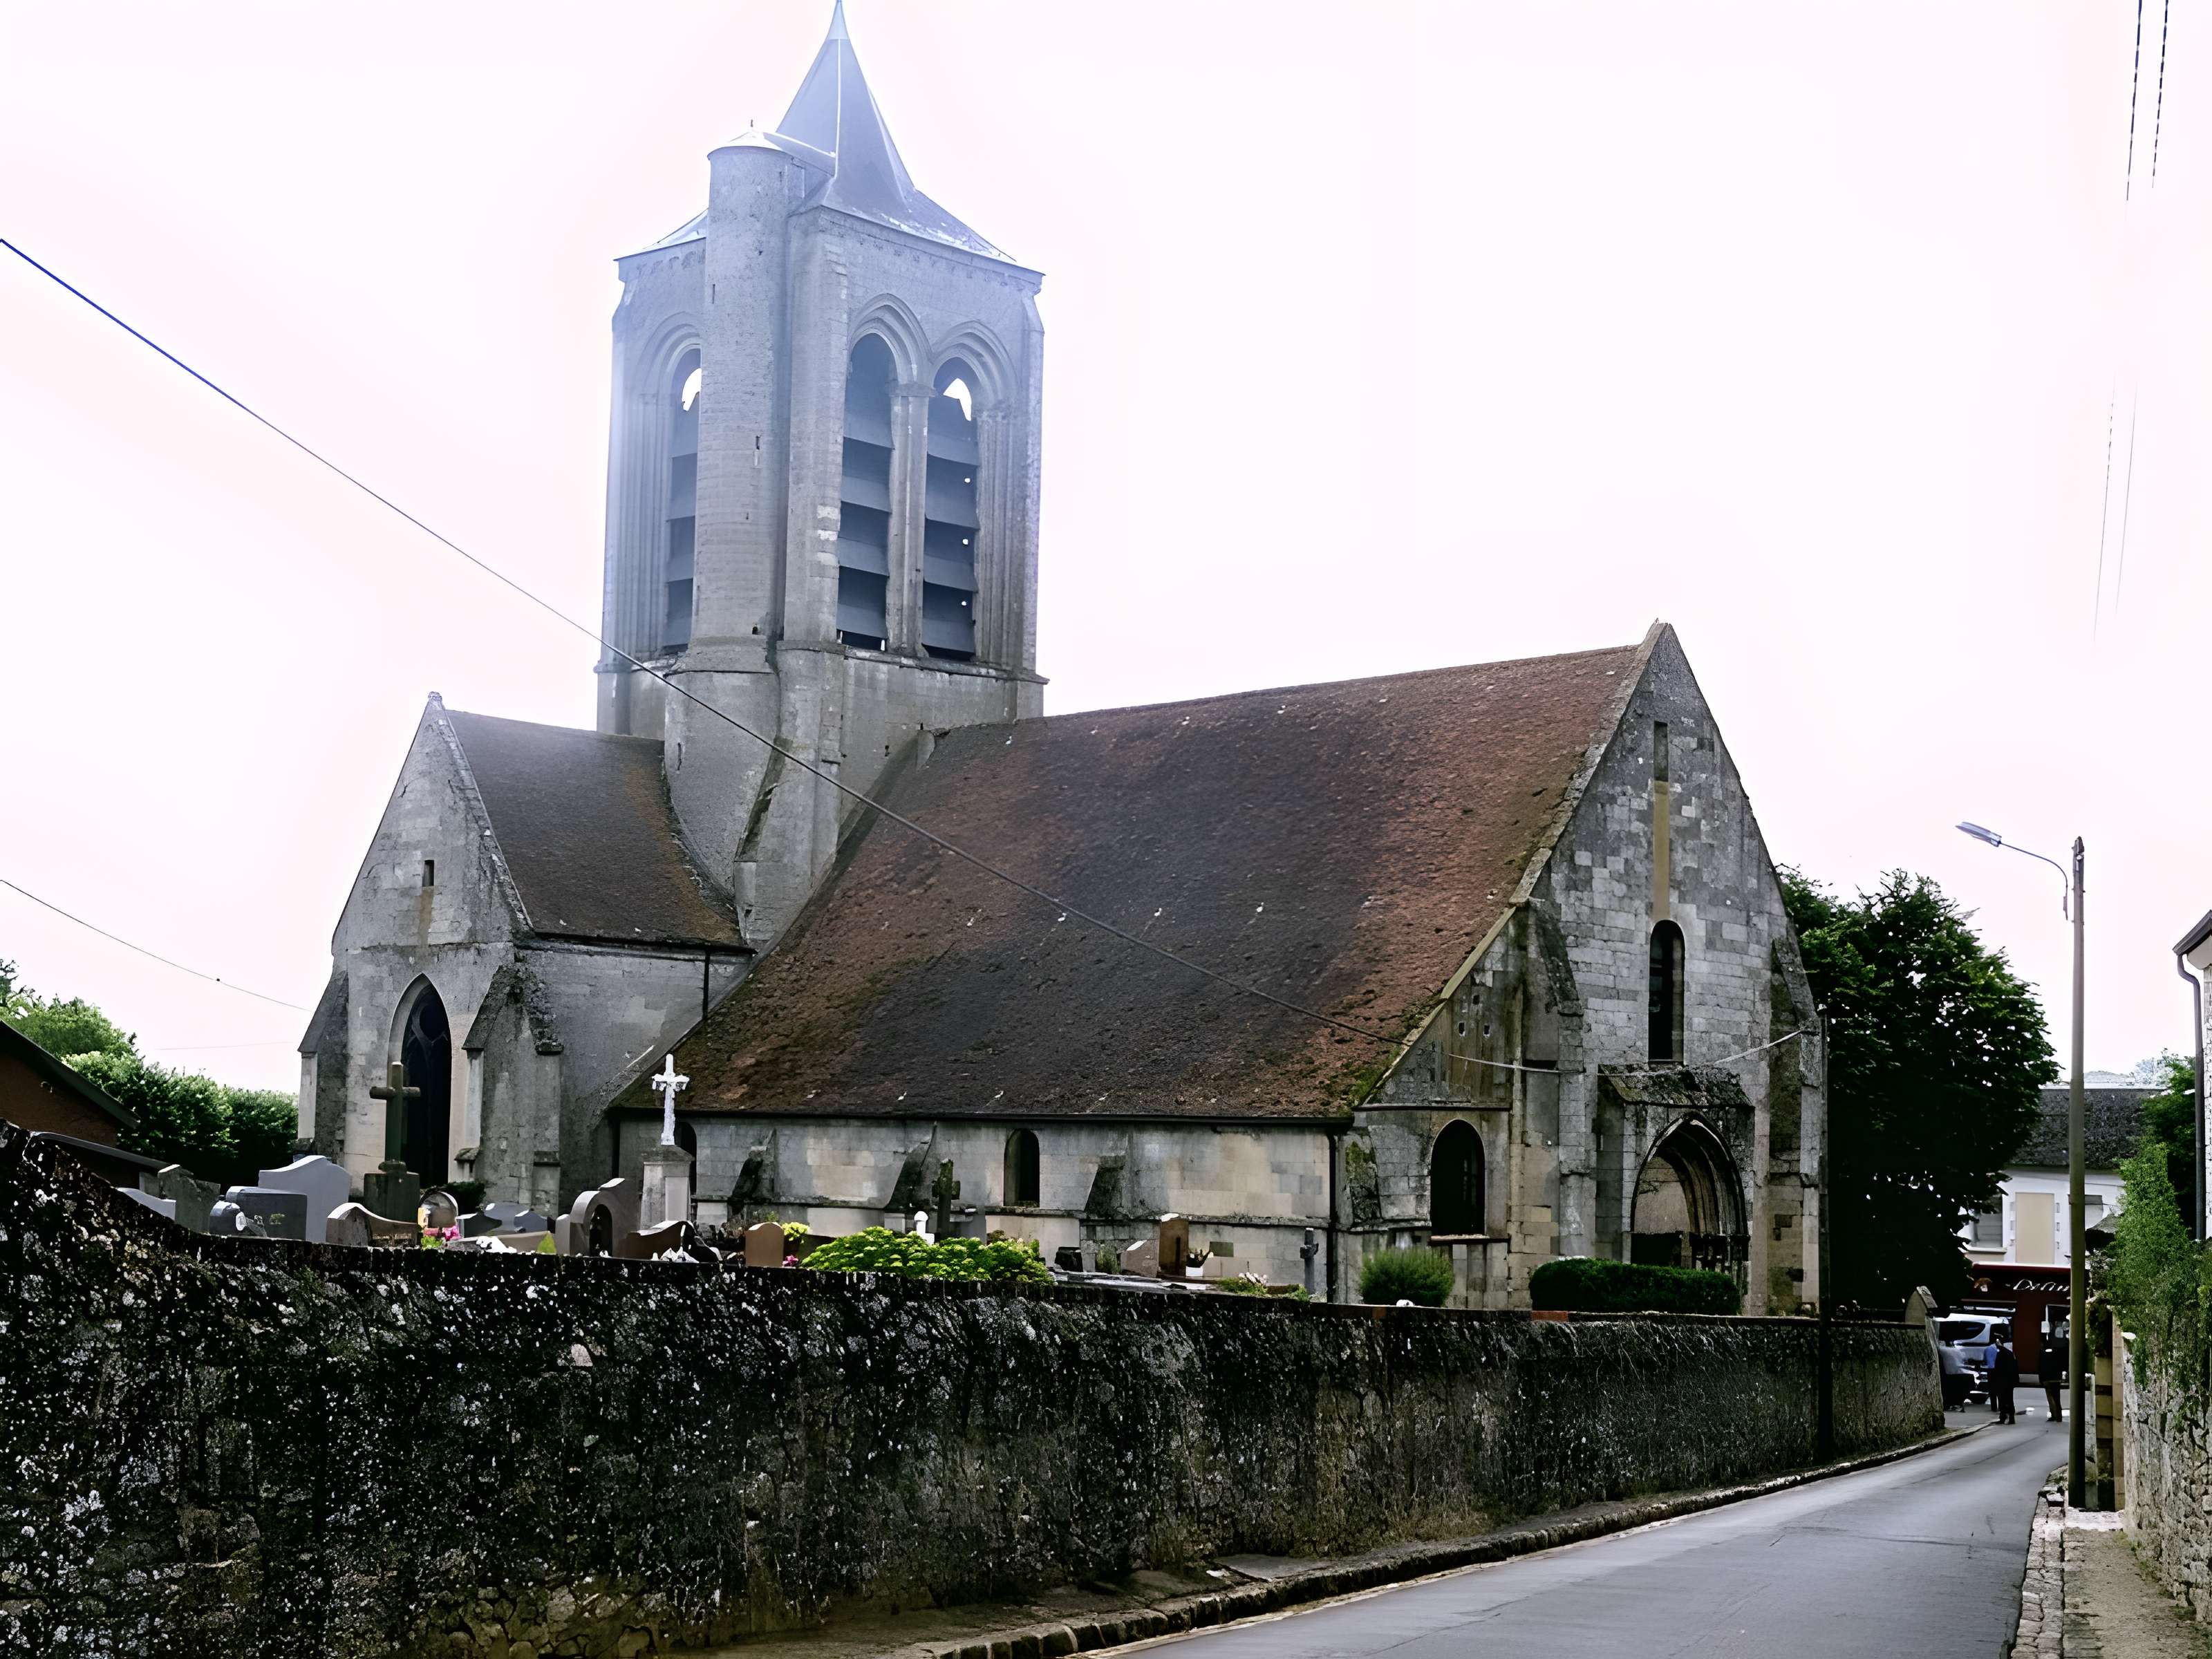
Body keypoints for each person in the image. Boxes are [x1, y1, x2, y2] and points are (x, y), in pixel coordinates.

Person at [1992, 1339, 2020, 1424]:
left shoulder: (2000, 1355)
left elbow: (1997, 1368)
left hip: (2002, 1380)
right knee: (2010, 1399)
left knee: (2002, 1399)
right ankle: (2011, 1417)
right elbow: (2016, 1368)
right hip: (2010, 1381)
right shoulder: (2011, 1355)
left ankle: (2003, 1417)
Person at [2041, 1331, 2065, 1423]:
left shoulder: (2044, 1354)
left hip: (2048, 1378)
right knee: (2056, 1398)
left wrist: (2042, 1379)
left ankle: (2055, 1415)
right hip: (2055, 1379)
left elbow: (2042, 1367)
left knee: (2051, 1398)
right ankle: (2058, 1415)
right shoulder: (2056, 1353)